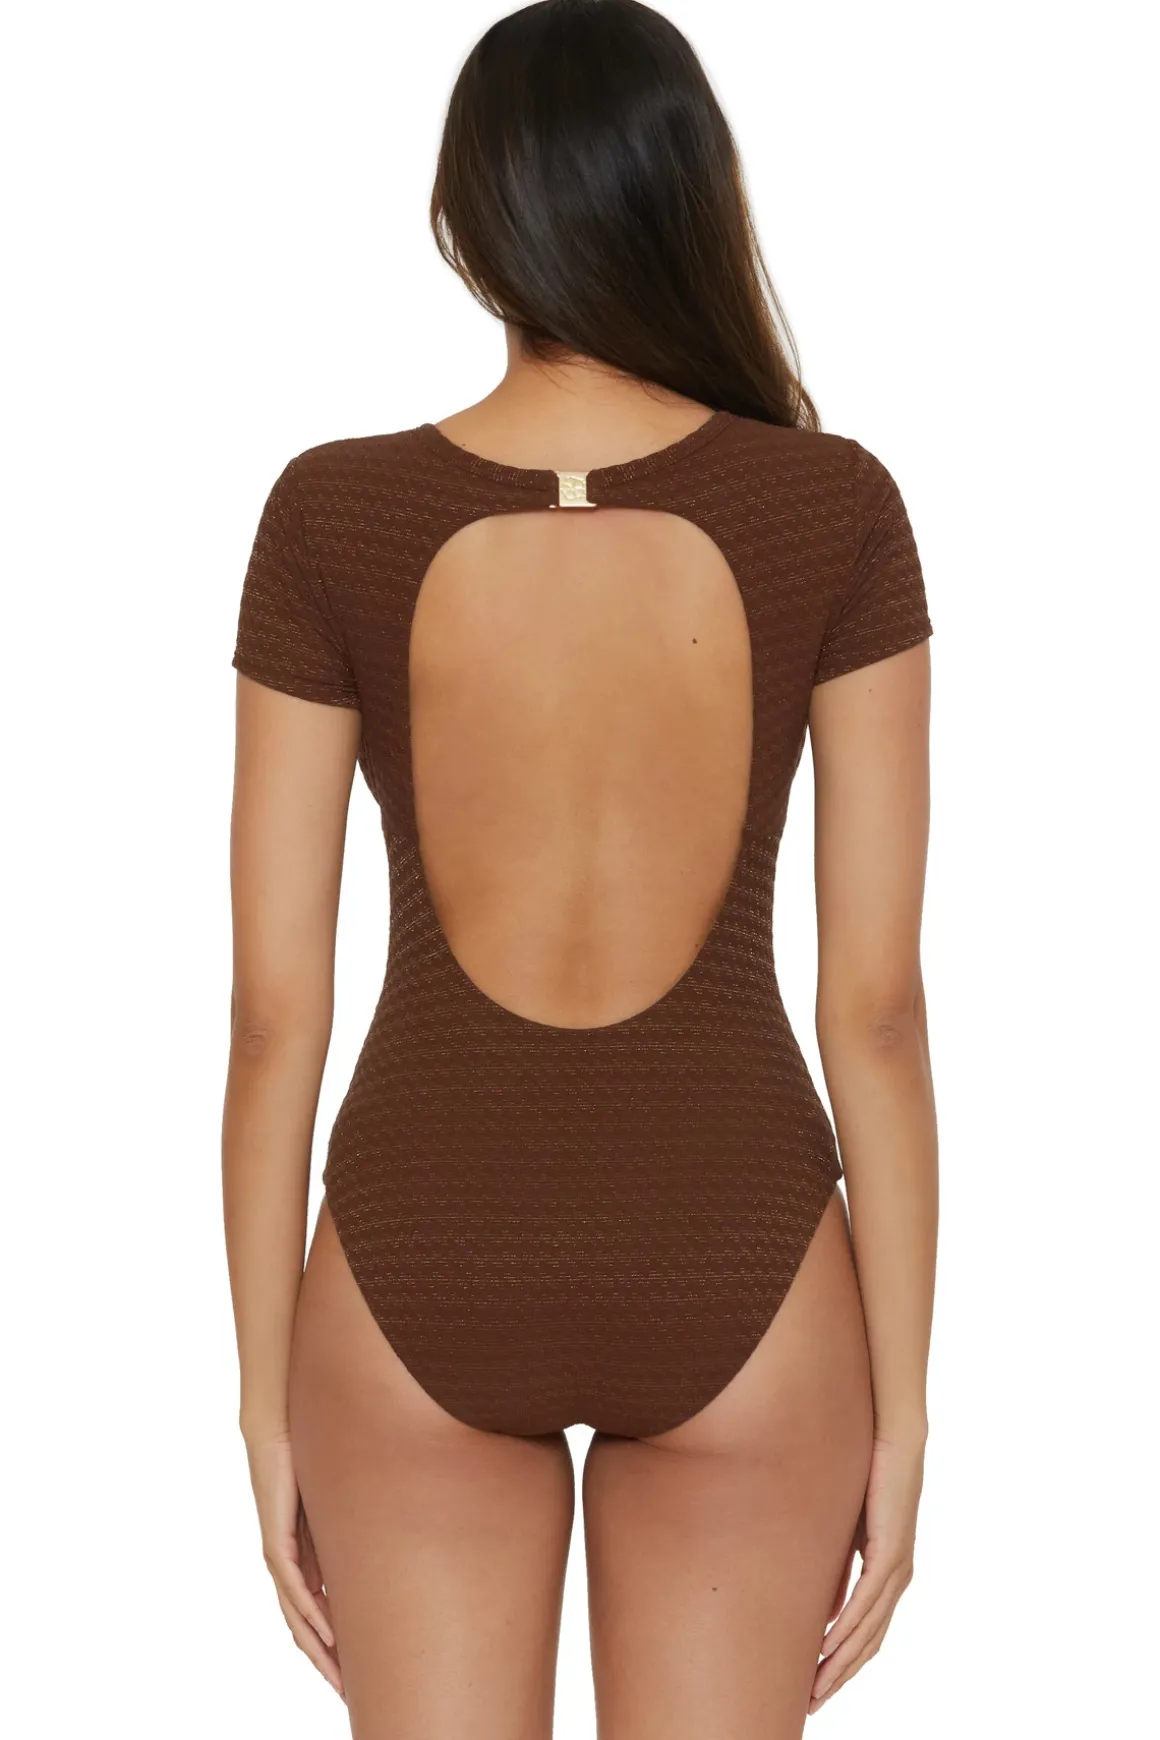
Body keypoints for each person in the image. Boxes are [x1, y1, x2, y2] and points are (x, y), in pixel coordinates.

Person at [222, 3, 938, 1735]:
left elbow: (270, 1018)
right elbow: (877, 1011)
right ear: (696, 199)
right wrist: (907, 1414)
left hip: (417, 1257)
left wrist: (261, 1403)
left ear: (469, 217)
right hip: (742, 1258)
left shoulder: (331, 515)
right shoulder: (833, 509)